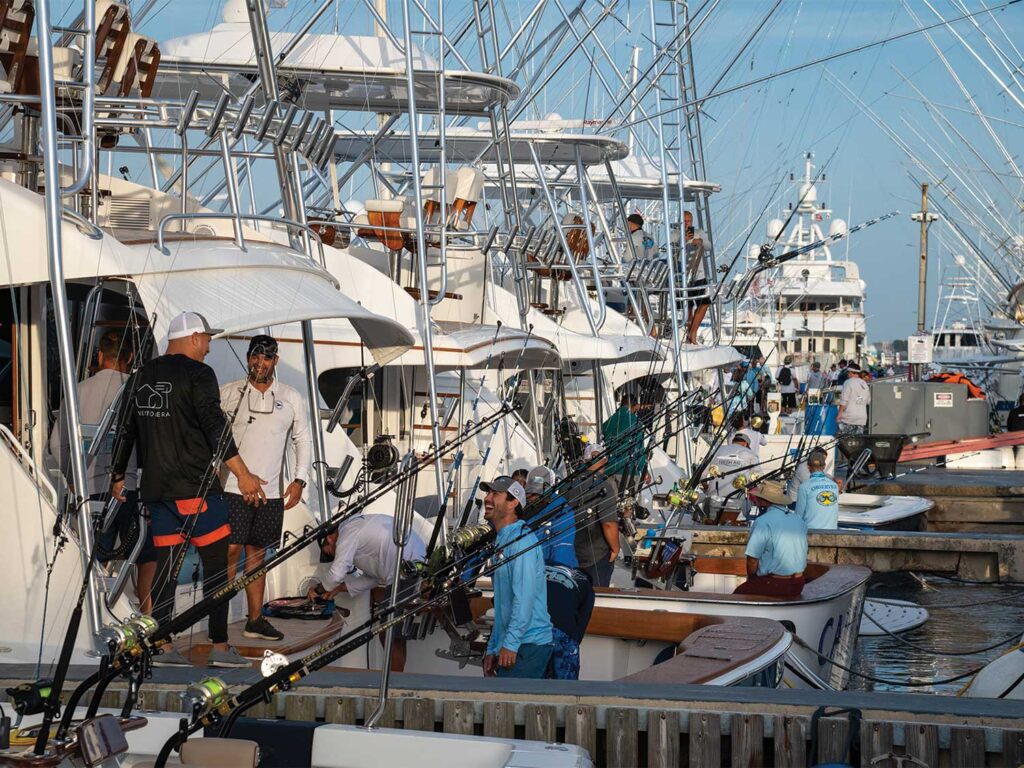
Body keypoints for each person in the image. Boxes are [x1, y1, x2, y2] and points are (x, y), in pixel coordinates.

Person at [111, 311, 265, 668]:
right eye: (207, 339)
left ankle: (163, 646)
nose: (209, 347)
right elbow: (215, 424)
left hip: (157, 492)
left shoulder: (141, 375)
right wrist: (242, 474)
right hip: (196, 489)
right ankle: (221, 648)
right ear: (194, 337)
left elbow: (126, 429)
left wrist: (119, 474)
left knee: (165, 567)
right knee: (216, 568)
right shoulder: (199, 374)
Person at [50, 329, 155, 613]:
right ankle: (147, 612)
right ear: (130, 356)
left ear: (99, 355)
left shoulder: (78, 392)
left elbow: (57, 445)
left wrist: (75, 480)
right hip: (130, 488)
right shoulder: (140, 391)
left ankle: (92, 610)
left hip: (89, 489)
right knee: (144, 552)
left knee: (93, 553)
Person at [220, 335, 311, 642]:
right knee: (229, 551)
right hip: (233, 487)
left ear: (276, 361)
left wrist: (299, 479)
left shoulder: (291, 396)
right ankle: (218, 620)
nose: (260, 363)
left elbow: (303, 439)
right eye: (255, 357)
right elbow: (212, 437)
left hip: (271, 493)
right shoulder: (229, 393)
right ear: (248, 358)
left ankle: (255, 620)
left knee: (257, 555)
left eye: (267, 358)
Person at [315, 513, 426, 672]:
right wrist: (339, 588)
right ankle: (395, 678)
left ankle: (394, 682)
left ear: (331, 538)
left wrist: (318, 590)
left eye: (330, 553)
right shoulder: (356, 528)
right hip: (408, 566)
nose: (334, 556)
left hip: (408, 569)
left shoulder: (348, 532)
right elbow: (374, 577)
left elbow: (336, 574)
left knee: (389, 633)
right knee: (393, 633)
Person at [479, 476, 553, 678]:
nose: (487, 498)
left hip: (529, 645)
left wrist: (510, 644)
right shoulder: (503, 540)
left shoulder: (522, 541)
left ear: (513, 503)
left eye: (495, 494)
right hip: (516, 643)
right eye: (488, 493)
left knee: (507, 708)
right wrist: (494, 647)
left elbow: (524, 598)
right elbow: (503, 604)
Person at [733, 481, 807, 598]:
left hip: (777, 583)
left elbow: (752, 560)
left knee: (738, 595)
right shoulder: (798, 519)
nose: (756, 501)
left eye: (758, 498)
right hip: (799, 582)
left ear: (764, 501)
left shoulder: (763, 521)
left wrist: (752, 580)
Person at [571, 443, 620, 587]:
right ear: (604, 460)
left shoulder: (569, 485)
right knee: (596, 599)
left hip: (572, 555)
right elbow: (608, 524)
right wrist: (616, 548)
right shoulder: (605, 486)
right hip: (596, 557)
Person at [543, 564, 594, 680]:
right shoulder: (585, 584)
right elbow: (583, 620)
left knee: (534, 684)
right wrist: (574, 643)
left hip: (532, 629)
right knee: (566, 687)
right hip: (562, 631)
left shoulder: (545, 565)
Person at [524, 466, 578, 568]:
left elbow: (562, 548)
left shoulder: (562, 509)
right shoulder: (525, 508)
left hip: (552, 571)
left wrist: (557, 573)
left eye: (537, 491)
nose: (530, 496)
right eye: (530, 490)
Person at [703, 434, 759, 521]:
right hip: (737, 503)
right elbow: (758, 479)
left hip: (713, 500)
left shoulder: (717, 450)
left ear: (733, 441)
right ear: (745, 444)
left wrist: (706, 487)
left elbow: (702, 476)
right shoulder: (751, 454)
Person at [601, 392, 649, 491]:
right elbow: (639, 451)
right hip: (629, 472)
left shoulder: (609, 421)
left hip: (609, 470)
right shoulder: (637, 423)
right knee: (629, 505)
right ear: (635, 407)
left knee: (611, 504)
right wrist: (644, 471)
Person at [683, 211, 711, 343]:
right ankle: (690, 335)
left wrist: (699, 242)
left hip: (699, 274)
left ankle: (693, 332)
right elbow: (671, 248)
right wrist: (685, 240)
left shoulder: (699, 232)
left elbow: (709, 246)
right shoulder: (675, 234)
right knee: (688, 307)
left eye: (689, 221)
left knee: (704, 304)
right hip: (682, 276)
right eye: (685, 221)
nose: (687, 223)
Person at [795, 451, 840, 530]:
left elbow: (798, 516)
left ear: (808, 467)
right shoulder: (835, 486)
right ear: (824, 466)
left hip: (811, 532)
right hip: (832, 531)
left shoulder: (804, 487)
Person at [837, 362, 871, 435]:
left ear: (851, 372)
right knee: (857, 442)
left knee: (846, 441)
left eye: (848, 372)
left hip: (848, 418)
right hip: (861, 418)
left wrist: (839, 414)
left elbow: (844, 400)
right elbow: (868, 401)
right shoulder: (864, 384)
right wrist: (858, 399)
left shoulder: (848, 382)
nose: (847, 374)